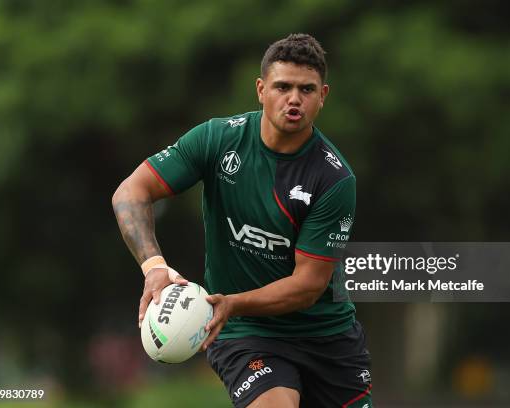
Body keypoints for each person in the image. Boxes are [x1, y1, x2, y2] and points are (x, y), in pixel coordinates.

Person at [112, 33, 373, 408]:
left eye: (306, 89)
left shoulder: (333, 179)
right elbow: (130, 192)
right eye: (283, 87)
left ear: (323, 96)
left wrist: (232, 302)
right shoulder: (218, 140)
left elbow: (307, 286)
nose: (294, 99)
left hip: (327, 339)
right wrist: (154, 267)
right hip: (245, 332)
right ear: (261, 89)